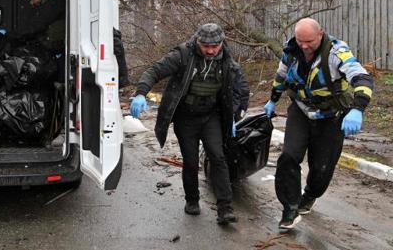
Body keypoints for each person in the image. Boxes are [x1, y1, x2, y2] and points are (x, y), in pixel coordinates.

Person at [130, 23, 249, 224]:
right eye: (206, 46)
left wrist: (235, 116)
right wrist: (141, 93)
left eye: (215, 46)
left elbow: (241, 89)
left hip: (211, 115)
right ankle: (192, 200)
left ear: (221, 43)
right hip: (186, 117)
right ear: (198, 41)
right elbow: (155, 71)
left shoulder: (227, 61)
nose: (211, 50)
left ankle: (225, 208)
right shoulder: (183, 54)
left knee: (218, 157)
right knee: (191, 160)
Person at [263, 18, 374, 231]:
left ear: (320, 34)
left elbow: (362, 78)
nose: (304, 46)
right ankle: (290, 208)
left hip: (330, 116)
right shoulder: (291, 49)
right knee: (288, 157)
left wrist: (358, 109)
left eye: (309, 42)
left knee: (322, 167)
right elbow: (281, 75)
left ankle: (310, 195)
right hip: (300, 111)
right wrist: (273, 99)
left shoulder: (337, 53)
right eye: (300, 40)